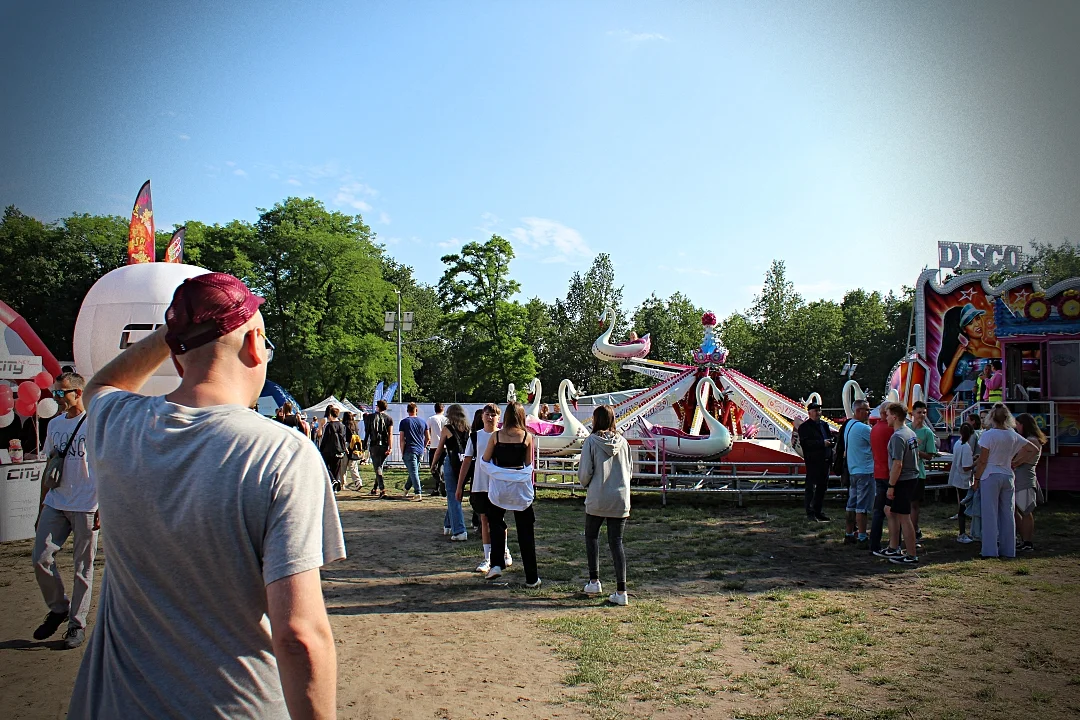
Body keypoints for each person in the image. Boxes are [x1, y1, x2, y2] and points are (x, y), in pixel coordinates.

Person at [68, 272, 345, 719]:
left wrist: (175, 333)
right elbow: (299, 635)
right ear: (255, 344)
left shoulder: (118, 423)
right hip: (233, 706)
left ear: (177, 359)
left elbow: (100, 385)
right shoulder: (282, 452)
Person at [31, 372, 97, 650]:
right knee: (40, 557)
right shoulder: (55, 424)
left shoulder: (94, 424)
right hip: (57, 501)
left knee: (83, 568)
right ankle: (59, 608)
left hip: (87, 503)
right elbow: (50, 467)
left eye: (62, 393)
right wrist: (41, 504)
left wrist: (103, 504)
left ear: (78, 393)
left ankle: (76, 625)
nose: (56, 398)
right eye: (55, 393)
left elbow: (108, 466)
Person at [577, 405, 632, 606]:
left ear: (596, 420)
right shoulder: (624, 442)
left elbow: (585, 472)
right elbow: (629, 469)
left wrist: (585, 484)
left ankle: (594, 580)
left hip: (598, 496)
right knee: (616, 542)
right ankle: (621, 590)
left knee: (591, 537)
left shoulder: (591, 441)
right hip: (620, 497)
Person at [482, 401, 540, 588]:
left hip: (499, 488)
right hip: (520, 489)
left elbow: (485, 460)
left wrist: (500, 472)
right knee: (526, 531)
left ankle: (496, 564)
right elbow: (528, 464)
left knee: (496, 525)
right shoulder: (527, 437)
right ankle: (531, 577)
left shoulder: (496, 436)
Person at [974, 404, 1040, 559]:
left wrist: (976, 479)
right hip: (1008, 475)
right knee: (1008, 513)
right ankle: (1009, 550)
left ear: (991, 417)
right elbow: (1034, 449)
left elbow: (983, 460)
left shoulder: (988, 435)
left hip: (990, 475)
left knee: (990, 514)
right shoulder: (1012, 434)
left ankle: (989, 551)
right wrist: (1015, 462)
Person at [458, 404, 513, 572]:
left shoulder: (503, 436)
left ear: (499, 417)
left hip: (498, 484)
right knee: (484, 520)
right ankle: (487, 558)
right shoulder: (475, 437)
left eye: (494, 415)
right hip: (480, 485)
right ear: (482, 416)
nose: (490, 417)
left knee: (499, 521)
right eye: (487, 414)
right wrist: (460, 486)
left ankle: (504, 551)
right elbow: (467, 461)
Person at [883, 403, 920, 565]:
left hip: (903, 480)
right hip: (910, 478)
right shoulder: (909, 432)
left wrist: (891, 486)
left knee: (904, 518)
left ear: (895, 416)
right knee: (893, 512)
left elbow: (898, 464)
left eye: (888, 414)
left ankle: (911, 555)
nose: (886, 418)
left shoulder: (898, 437)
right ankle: (896, 547)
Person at [937, 303, 995, 400]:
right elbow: (943, 390)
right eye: (970, 323)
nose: (977, 324)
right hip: (966, 401)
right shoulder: (963, 355)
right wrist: (955, 358)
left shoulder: (993, 351)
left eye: (977, 318)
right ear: (963, 329)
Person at [430, 404, 470, 540]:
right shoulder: (468, 429)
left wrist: (434, 464)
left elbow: (440, 449)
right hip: (465, 463)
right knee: (455, 494)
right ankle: (448, 525)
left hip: (451, 462)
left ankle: (459, 530)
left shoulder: (447, 429)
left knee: (453, 495)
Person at [1013, 413, 1046, 553]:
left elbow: (1018, 460)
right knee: (1016, 510)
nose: (1016, 427)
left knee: (1026, 510)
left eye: (1018, 424)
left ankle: (1027, 542)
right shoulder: (1029, 440)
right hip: (1021, 478)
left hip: (1025, 479)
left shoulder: (1032, 441)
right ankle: (1023, 540)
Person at [843, 399, 874, 545]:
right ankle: (862, 536)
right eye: (866, 410)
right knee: (862, 506)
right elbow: (878, 444)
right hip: (865, 470)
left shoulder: (849, 425)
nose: (869, 413)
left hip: (853, 470)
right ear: (858, 411)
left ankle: (849, 533)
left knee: (851, 503)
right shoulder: (863, 428)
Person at [797, 401, 834, 522]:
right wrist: (822, 443)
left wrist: (830, 443)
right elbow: (806, 444)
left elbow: (828, 437)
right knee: (811, 487)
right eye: (815, 411)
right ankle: (810, 512)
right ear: (809, 413)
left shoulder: (824, 425)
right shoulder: (804, 427)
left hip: (825, 460)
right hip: (813, 461)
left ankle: (818, 510)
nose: (818, 413)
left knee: (822, 487)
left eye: (819, 411)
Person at [869, 402, 895, 557]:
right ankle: (894, 544)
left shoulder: (874, 429)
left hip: (878, 472)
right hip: (890, 474)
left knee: (878, 511)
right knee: (894, 511)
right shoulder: (891, 430)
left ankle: (874, 544)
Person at [909, 401, 937, 540]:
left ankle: (913, 531)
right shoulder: (906, 429)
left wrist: (917, 452)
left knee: (914, 504)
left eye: (924, 413)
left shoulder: (927, 433)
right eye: (919, 412)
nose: (922, 415)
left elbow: (930, 455)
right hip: (904, 472)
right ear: (912, 413)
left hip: (918, 472)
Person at [948, 423, 976, 544]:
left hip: (957, 477)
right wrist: (977, 461)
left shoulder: (958, 443)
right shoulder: (966, 447)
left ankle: (963, 532)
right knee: (963, 508)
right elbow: (966, 467)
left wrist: (973, 458)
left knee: (962, 506)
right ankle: (962, 533)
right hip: (963, 479)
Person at [399, 402, 429, 501]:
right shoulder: (423, 422)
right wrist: (423, 446)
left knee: (414, 472)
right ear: (416, 410)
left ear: (408, 411)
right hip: (420, 450)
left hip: (409, 449)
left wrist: (402, 451)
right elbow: (428, 437)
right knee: (413, 471)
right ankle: (406, 488)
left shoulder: (404, 422)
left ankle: (418, 493)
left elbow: (402, 439)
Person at [367, 399, 393, 498]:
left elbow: (368, 431)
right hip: (384, 445)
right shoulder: (389, 419)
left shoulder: (371, 417)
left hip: (374, 444)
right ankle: (375, 488)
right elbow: (390, 433)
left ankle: (382, 489)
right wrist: (390, 447)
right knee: (379, 466)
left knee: (377, 467)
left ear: (377, 406)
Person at [319, 405, 349, 493]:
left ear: (330, 415)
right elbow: (343, 438)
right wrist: (344, 449)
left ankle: (333, 481)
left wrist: (321, 449)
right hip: (339, 449)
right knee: (336, 468)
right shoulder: (342, 426)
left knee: (325, 466)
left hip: (328, 450)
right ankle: (335, 486)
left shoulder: (329, 426)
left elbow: (325, 438)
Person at [426, 402, 447, 496]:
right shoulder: (447, 420)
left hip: (434, 445)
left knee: (433, 467)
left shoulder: (431, 419)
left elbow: (427, 431)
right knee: (441, 466)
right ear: (443, 409)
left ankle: (440, 482)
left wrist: (428, 439)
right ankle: (438, 487)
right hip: (444, 446)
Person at [343, 411, 364, 490]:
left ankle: (343, 483)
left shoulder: (344, 425)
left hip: (346, 445)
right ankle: (358, 482)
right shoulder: (355, 425)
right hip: (354, 447)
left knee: (343, 466)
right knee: (353, 467)